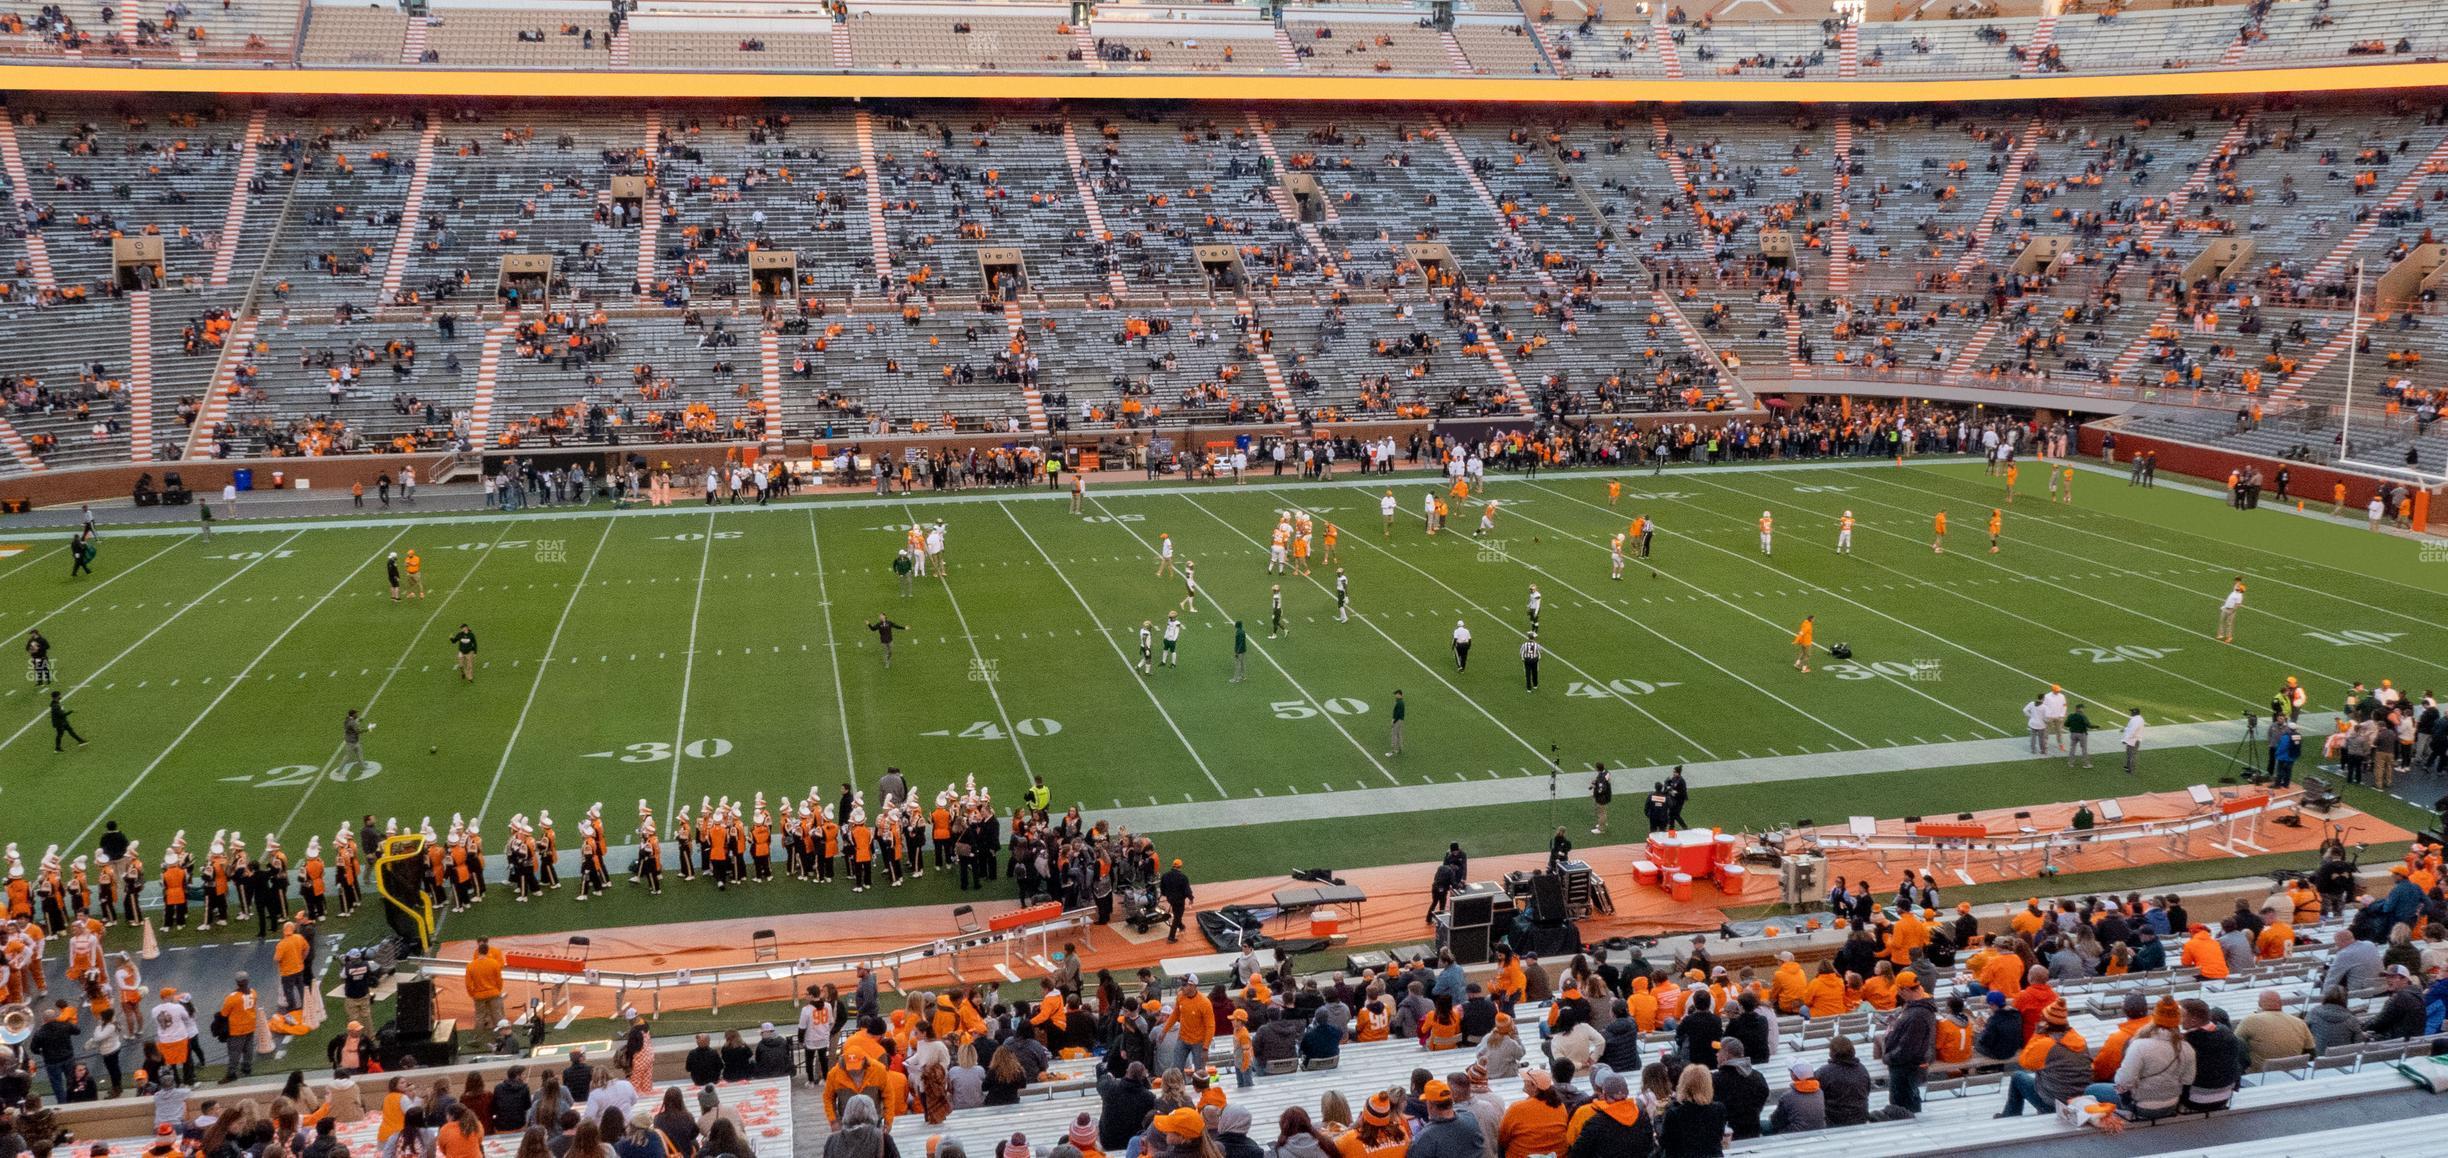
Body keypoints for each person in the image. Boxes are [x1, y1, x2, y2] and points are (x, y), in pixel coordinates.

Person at [1656, 1064, 1726, 1157]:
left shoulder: (1675, 1113)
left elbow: (1665, 1142)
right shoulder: (1719, 1109)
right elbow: (1718, 1137)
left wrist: (1658, 1119)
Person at [2236, 990, 2316, 1066]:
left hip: (2258, 1076)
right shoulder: (2300, 1022)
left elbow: (2234, 1044)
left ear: (2259, 1004)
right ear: (2281, 1004)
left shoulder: (2250, 1020)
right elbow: (2311, 1052)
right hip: (2293, 1073)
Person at [1159, 859, 1192, 944]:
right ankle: (1171, 937)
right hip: (1179, 900)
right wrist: (1191, 898)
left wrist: (1165, 894)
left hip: (1170, 899)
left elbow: (1162, 887)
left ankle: (1181, 926)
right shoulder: (1183, 877)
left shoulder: (1165, 875)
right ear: (1180, 866)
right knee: (1177, 917)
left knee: (1177, 913)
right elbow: (1187, 891)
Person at [2217, 578, 2245, 643]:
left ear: (2240, 590)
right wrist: (2239, 579)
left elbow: (2237, 605)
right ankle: (2221, 634)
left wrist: (2231, 612)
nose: (2237, 587)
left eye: (2239, 587)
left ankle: (2229, 637)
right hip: (2225, 608)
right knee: (2221, 621)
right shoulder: (2235, 591)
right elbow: (2237, 583)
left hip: (2231, 610)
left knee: (2228, 624)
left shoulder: (2239, 596)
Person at [2121, 707, 2146, 774]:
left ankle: (2131, 769)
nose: (2131, 713)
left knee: (2132, 754)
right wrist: (2125, 729)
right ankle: (2128, 766)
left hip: (2134, 740)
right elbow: (2130, 728)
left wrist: (2125, 739)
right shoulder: (2137, 719)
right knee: (2129, 753)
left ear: (2134, 713)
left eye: (2132, 712)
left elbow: (2132, 730)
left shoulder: (2136, 720)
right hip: (2133, 739)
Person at [1589, 765, 1612, 835]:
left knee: (1601, 813)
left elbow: (1601, 789)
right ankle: (1603, 823)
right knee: (1602, 812)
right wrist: (1595, 782)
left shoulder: (1601, 777)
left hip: (1601, 797)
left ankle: (1601, 828)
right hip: (1606, 795)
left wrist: (1595, 789)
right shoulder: (1606, 772)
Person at [1387, 689, 1405, 757]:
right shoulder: (1400, 702)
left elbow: (1398, 713)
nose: (1395, 695)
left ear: (1399, 694)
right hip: (1400, 720)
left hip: (1398, 720)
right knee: (1399, 734)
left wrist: (1393, 721)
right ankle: (1400, 748)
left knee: (1394, 735)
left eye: (1396, 694)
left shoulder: (1399, 703)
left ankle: (1393, 750)